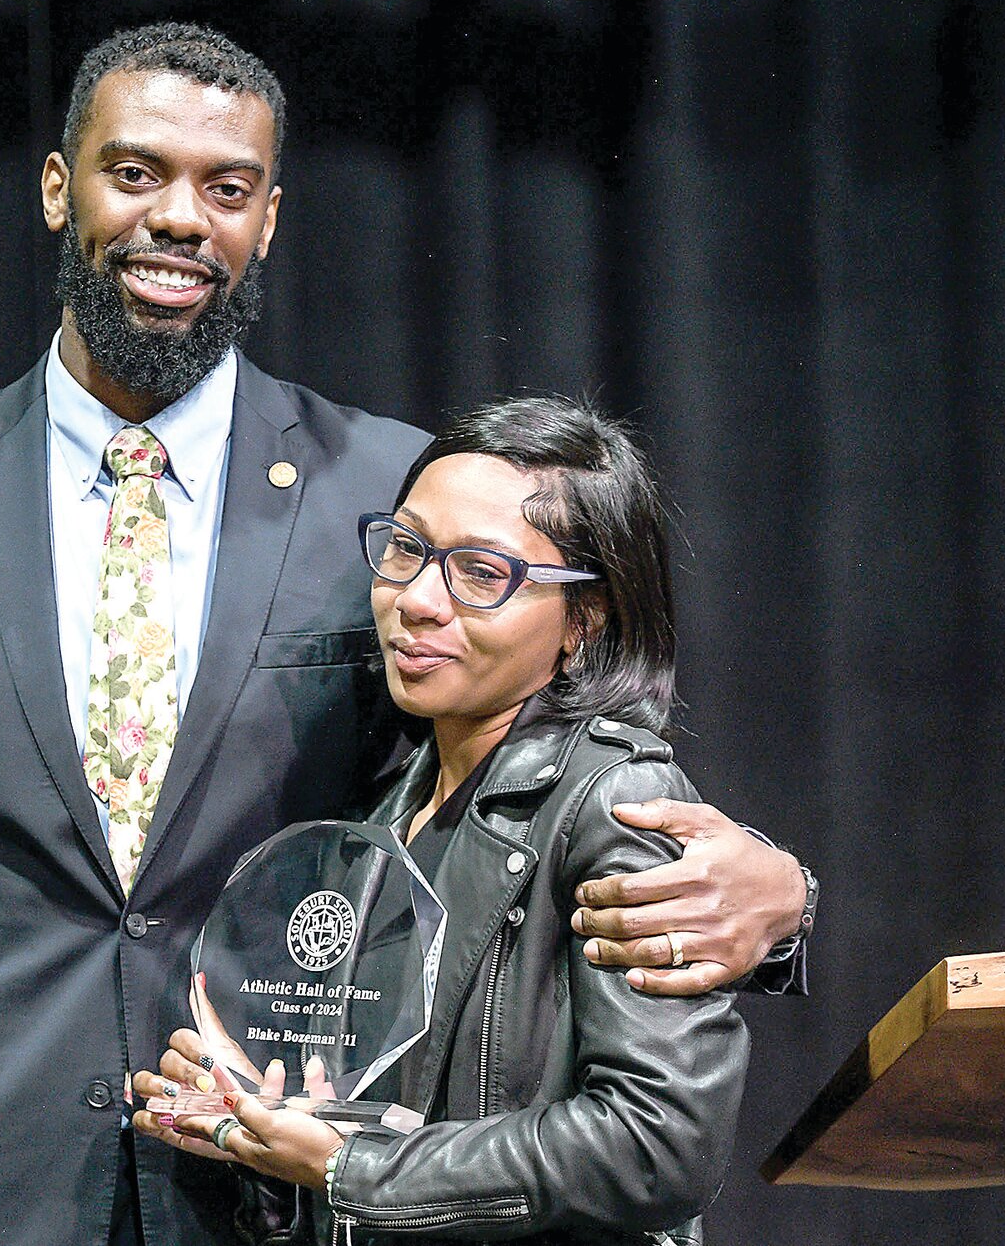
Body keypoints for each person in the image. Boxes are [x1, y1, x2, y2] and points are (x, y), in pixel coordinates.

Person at [0, 23, 810, 1246]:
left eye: (225, 189)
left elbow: (535, 780)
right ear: (54, 186)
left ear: (269, 220)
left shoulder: (398, 497)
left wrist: (785, 897)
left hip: (266, 1196)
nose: (181, 218)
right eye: (135, 172)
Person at [135, 398, 752, 1244]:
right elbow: (367, 1129)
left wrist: (349, 1167)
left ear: (587, 616)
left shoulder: (615, 800)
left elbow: (659, 1143)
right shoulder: (377, 824)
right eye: (407, 548)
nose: (418, 599)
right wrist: (254, 1123)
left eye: (482, 573)